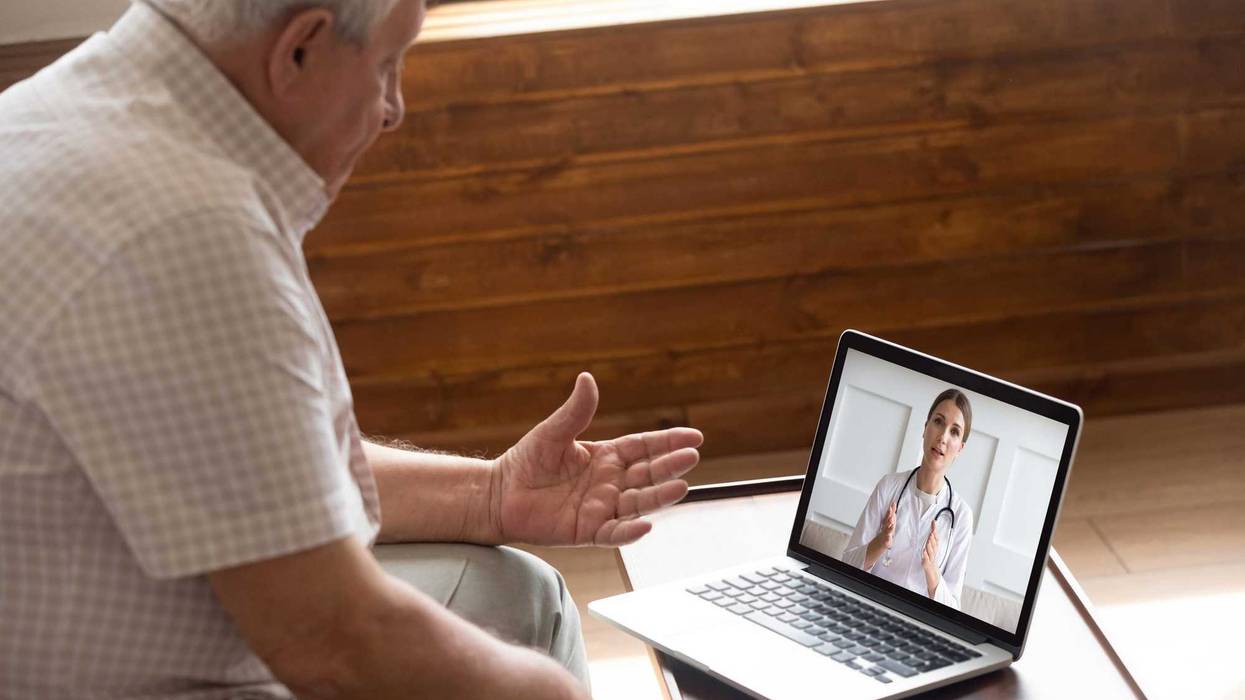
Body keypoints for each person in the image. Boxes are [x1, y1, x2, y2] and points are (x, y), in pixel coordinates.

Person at [0, 1, 703, 698]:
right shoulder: (185, 231)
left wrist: (490, 494)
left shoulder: (59, 112)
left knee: (518, 595)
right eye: (387, 65)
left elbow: (248, 457)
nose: (393, 109)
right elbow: (333, 643)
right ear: (300, 48)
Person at [842, 389, 975, 610]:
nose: (943, 437)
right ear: (925, 428)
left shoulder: (961, 517)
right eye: (938, 422)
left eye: (954, 432)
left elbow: (952, 609)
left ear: (960, 448)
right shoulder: (889, 486)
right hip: (868, 606)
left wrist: (931, 570)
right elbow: (845, 565)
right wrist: (881, 542)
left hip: (916, 621)